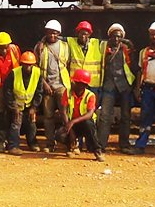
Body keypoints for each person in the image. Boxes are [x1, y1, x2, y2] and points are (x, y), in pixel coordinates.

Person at [131, 21, 155, 155]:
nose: (154, 37)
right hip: (147, 89)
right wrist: (137, 88)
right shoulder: (144, 52)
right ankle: (140, 145)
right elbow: (140, 71)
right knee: (145, 118)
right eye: (152, 35)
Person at [35, 19, 72, 152]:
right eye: (50, 33)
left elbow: (68, 65)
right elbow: (36, 68)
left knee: (65, 115)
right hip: (47, 86)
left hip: (61, 85)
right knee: (48, 117)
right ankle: (50, 144)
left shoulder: (65, 46)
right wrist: (44, 84)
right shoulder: (40, 47)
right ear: (46, 33)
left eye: (55, 33)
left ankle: (70, 144)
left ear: (59, 33)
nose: (52, 36)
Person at [99, 23, 136, 153]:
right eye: (114, 36)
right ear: (109, 36)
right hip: (109, 86)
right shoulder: (103, 47)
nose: (116, 39)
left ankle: (124, 145)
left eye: (119, 37)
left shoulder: (126, 48)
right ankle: (101, 145)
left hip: (124, 85)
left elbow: (134, 65)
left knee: (126, 116)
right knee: (104, 115)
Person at [67, 20, 103, 153]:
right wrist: (42, 40)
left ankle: (91, 145)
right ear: (77, 33)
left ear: (90, 34)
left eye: (86, 34)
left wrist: (128, 43)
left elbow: (113, 40)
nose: (84, 36)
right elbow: (55, 36)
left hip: (91, 84)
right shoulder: (70, 42)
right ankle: (77, 145)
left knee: (90, 117)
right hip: (76, 83)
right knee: (76, 110)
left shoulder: (97, 43)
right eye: (81, 33)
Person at [0, 31, 21, 152]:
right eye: (1, 48)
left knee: (14, 114)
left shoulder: (15, 50)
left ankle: (12, 143)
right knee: (0, 114)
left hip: (13, 87)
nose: (4, 50)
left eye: (6, 47)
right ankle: (0, 142)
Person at [62, 69, 104, 161]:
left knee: (88, 125)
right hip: (72, 123)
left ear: (83, 85)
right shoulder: (68, 92)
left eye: (75, 82)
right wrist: (70, 128)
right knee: (60, 134)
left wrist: (73, 122)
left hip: (86, 124)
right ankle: (72, 147)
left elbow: (89, 114)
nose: (73, 83)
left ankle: (97, 151)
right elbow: (64, 111)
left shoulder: (90, 95)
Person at [5, 51, 42, 155]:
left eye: (30, 65)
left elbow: (39, 92)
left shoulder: (37, 73)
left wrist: (34, 107)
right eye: (25, 65)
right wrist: (14, 106)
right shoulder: (14, 73)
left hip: (30, 104)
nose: (28, 67)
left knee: (32, 123)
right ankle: (13, 146)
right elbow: (7, 91)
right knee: (16, 123)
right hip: (17, 104)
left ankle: (32, 143)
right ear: (21, 64)